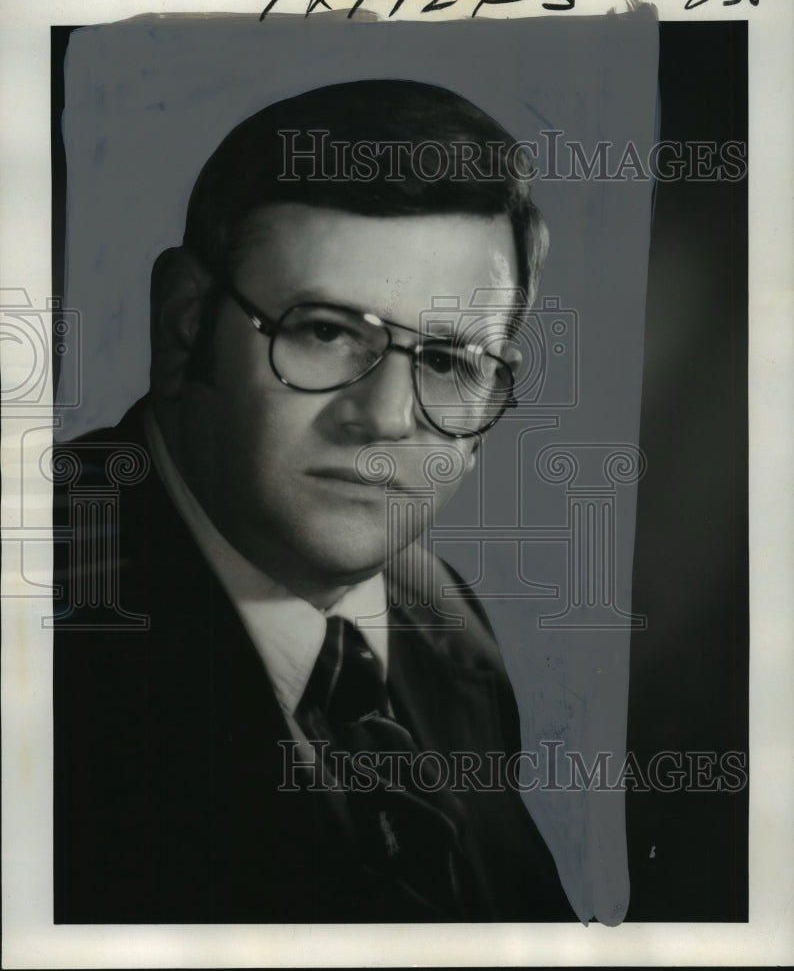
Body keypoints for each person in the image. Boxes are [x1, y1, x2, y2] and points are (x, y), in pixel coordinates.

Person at [53, 80, 572, 923]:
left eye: (448, 361)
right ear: (185, 326)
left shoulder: (447, 625)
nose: (387, 419)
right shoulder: (39, 615)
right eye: (327, 332)